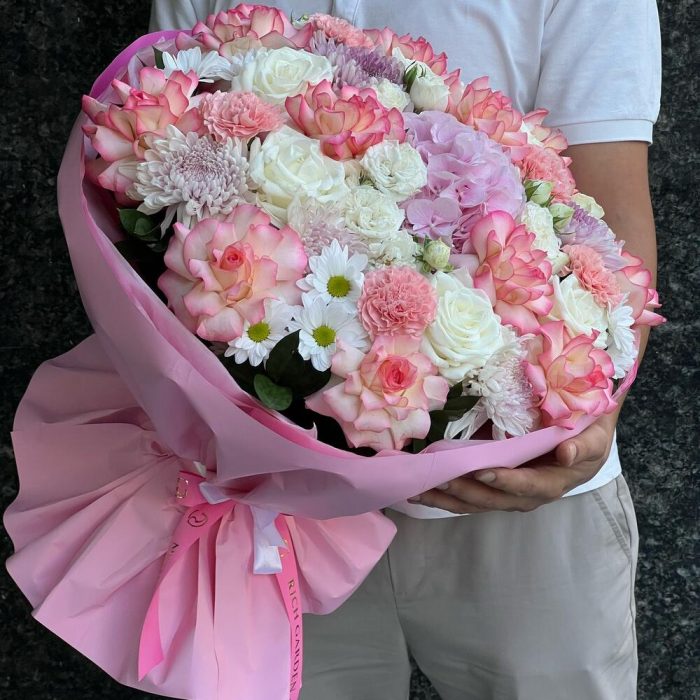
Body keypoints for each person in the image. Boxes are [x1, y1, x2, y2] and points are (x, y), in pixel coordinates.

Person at [149, 2, 661, 698]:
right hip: (273, 498)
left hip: (514, 484)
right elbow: (160, 157)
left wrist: (593, 419)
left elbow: (612, 221)